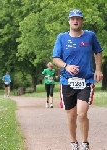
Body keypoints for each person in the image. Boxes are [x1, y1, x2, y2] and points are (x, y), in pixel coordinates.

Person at [52, 9, 103, 150]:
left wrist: (98, 69)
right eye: (73, 18)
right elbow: (56, 58)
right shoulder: (61, 38)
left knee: (82, 112)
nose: (76, 21)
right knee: (71, 116)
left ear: (82, 21)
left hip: (86, 81)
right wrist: (66, 66)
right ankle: (74, 143)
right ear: (69, 21)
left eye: (78, 19)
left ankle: (85, 143)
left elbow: (98, 51)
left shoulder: (90, 36)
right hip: (67, 81)